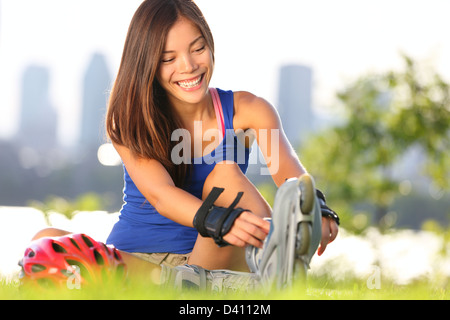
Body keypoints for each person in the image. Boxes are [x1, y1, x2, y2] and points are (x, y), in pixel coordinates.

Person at [29, 0, 339, 288]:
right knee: (45, 243)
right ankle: (192, 288)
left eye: (198, 48)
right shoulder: (129, 117)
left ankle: (220, 280)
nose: (188, 66)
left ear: (210, 45)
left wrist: (317, 215)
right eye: (168, 59)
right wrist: (222, 221)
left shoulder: (250, 111)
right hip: (137, 262)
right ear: (147, 63)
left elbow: (293, 182)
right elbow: (161, 195)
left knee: (226, 176)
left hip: (209, 259)